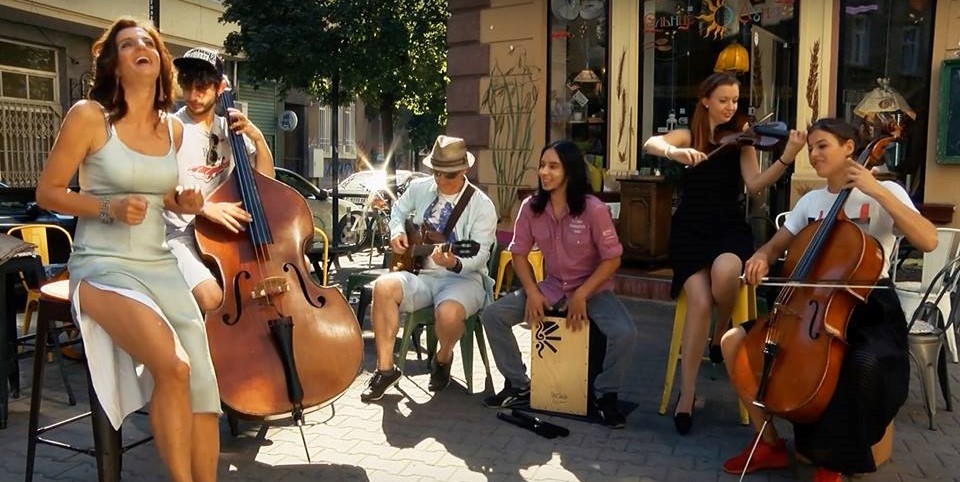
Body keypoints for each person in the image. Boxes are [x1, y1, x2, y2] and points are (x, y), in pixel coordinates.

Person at [35, 17, 221, 482]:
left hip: (159, 264)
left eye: (149, 43)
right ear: (114, 65)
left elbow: (161, 195)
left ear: (160, 61)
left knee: (203, 385)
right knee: (174, 367)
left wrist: (182, 201)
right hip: (102, 265)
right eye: (127, 44)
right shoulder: (89, 116)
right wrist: (108, 207)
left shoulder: (173, 130)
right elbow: (48, 192)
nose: (141, 47)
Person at [720, 118, 937, 482]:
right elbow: (774, 247)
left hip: (869, 306)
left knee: (862, 364)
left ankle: (833, 461)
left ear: (849, 148)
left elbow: (928, 240)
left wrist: (876, 190)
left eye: (822, 146)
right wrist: (760, 257)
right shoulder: (811, 201)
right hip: (809, 307)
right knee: (734, 341)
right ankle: (768, 443)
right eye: (811, 148)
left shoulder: (888, 191)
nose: (814, 154)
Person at [641, 72, 803, 434]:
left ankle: (719, 333)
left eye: (735, 100)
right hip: (689, 231)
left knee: (727, 272)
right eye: (724, 100)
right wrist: (674, 151)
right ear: (706, 100)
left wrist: (786, 158)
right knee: (699, 302)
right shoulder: (689, 134)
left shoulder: (743, 137)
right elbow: (652, 143)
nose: (731, 107)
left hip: (729, 227)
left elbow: (755, 184)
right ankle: (687, 393)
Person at [480, 140, 637, 428]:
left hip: (593, 290)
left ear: (570, 171)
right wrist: (531, 292)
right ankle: (519, 384)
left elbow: (612, 259)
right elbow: (518, 254)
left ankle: (605, 395)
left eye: (553, 166)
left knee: (624, 332)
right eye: (542, 165)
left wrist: (582, 294)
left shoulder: (593, 209)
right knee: (492, 315)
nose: (544, 172)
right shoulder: (531, 207)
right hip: (551, 287)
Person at [360, 135, 497, 402]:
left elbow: (480, 253)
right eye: (436, 172)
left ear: (464, 170)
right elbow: (398, 211)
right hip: (422, 275)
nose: (441, 180)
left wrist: (455, 261)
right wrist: (397, 231)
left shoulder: (481, 205)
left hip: (464, 279)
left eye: (449, 174)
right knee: (383, 286)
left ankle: (443, 358)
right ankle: (386, 370)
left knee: (448, 313)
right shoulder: (419, 188)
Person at [164, 47, 275, 312]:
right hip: (180, 233)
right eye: (187, 86)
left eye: (201, 87)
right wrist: (204, 208)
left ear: (220, 87)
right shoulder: (172, 127)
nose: (192, 96)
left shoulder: (230, 128)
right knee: (211, 297)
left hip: (227, 234)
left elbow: (266, 180)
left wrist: (258, 138)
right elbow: (158, 188)